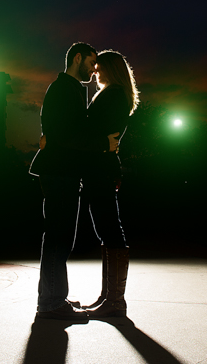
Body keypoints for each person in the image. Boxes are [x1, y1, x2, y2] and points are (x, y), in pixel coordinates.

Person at [29, 42, 120, 321]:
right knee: (58, 236)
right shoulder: (64, 89)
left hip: (61, 171)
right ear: (77, 58)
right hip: (59, 173)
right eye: (91, 63)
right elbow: (69, 135)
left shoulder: (68, 89)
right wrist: (103, 144)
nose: (94, 70)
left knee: (59, 236)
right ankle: (51, 304)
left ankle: (53, 297)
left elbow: (60, 132)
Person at [80, 49, 139, 318]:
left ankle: (115, 300)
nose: (95, 71)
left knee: (109, 228)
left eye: (99, 67)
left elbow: (98, 130)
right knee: (106, 228)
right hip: (102, 166)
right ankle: (109, 296)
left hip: (101, 167)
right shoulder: (116, 94)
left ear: (111, 69)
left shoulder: (113, 95)